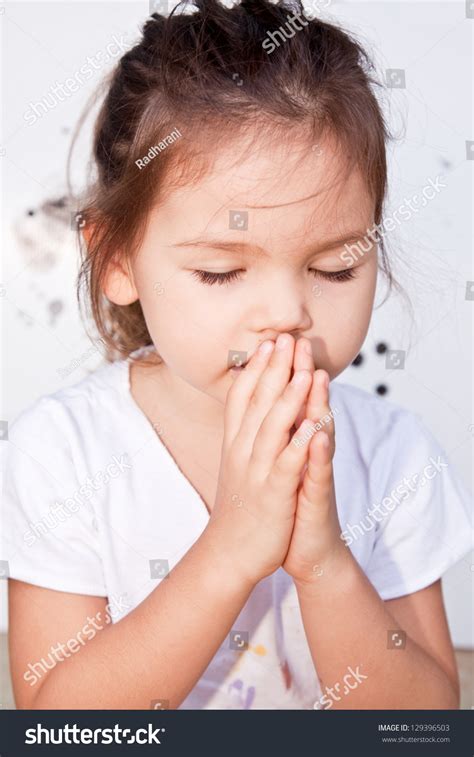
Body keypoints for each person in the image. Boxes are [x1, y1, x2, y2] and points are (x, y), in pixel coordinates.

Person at [4, 0, 471, 710]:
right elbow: (60, 722)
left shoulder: (396, 458)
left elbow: (423, 721)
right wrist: (231, 547)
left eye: (338, 266)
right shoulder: (61, 455)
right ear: (118, 258)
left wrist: (324, 564)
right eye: (221, 271)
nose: (288, 313)